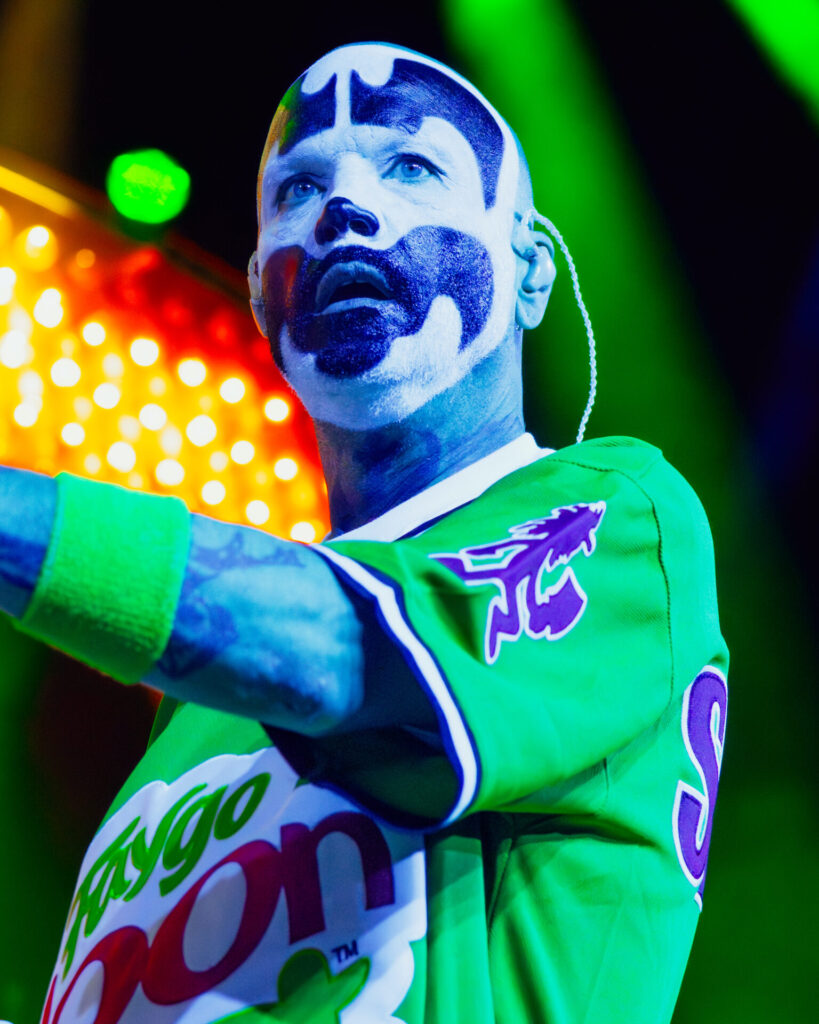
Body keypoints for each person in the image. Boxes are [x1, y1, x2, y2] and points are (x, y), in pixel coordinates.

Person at [0, 42, 728, 1024]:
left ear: (531, 272)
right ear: (261, 292)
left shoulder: (623, 514)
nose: (342, 206)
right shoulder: (195, 704)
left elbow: (347, 660)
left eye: (412, 166)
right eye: (299, 188)